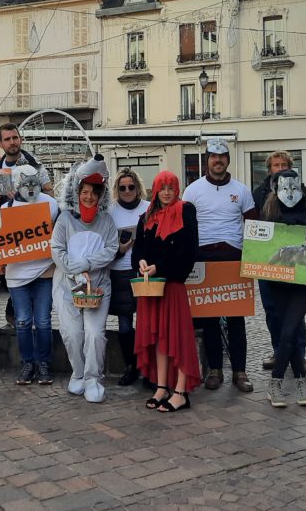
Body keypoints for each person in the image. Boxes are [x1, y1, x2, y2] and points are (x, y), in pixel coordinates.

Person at [182, 137, 256, 392]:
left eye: (222, 156)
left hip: (233, 257)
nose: (218, 161)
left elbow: (253, 226)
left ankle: (240, 371)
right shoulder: (192, 191)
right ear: (207, 160)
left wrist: (253, 258)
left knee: (237, 318)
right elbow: (185, 227)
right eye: (213, 156)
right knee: (209, 318)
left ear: (227, 160)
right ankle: (214, 369)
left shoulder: (242, 190)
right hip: (203, 258)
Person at [51, 155, 119, 403]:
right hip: (67, 285)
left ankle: (93, 378)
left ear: (101, 195)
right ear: (77, 191)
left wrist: (88, 263)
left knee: (94, 333)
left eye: (94, 192)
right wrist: (71, 267)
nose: (89, 196)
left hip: (97, 286)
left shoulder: (107, 222)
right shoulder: (65, 219)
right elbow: (57, 248)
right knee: (72, 332)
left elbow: (111, 249)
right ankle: (77, 374)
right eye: (85, 191)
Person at [133, 171, 201, 412]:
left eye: (170, 187)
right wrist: (140, 262)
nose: (166, 192)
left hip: (171, 285)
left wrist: (159, 267)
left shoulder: (186, 210)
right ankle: (162, 387)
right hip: (150, 288)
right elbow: (138, 248)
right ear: (155, 190)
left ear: (177, 189)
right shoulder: (146, 216)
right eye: (162, 188)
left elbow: (189, 251)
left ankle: (181, 391)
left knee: (178, 338)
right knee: (159, 338)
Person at [259, 170, 306, 409]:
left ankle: (275, 381)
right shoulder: (269, 212)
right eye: (283, 188)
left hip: (303, 284)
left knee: (289, 332)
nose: (289, 193)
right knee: (289, 329)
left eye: (293, 187)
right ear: (276, 189)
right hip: (277, 281)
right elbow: (263, 246)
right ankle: (300, 380)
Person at [251, 150, 306, 375]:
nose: (280, 168)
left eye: (283, 164)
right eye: (275, 165)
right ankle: (278, 351)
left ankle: (300, 355)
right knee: (272, 310)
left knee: (296, 311)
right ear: (269, 170)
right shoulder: (258, 193)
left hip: (295, 261)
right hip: (269, 261)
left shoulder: (301, 191)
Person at [0, 123, 54, 327]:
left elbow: (50, 193)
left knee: (35, 279)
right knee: (9, 280)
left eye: (15, 138)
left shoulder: (35, 165)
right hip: (8, 236)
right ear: (0, 144)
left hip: (34, 233)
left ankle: (18, 316)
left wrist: (25, 196)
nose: (12, 142)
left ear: (20, 139)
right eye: (7, 139)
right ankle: (16, 314)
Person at [3, 164, 60, 385]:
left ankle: (44, 363)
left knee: (44, 321)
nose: (30, 187)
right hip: (17, 274)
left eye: (33, 183)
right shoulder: (7, 208)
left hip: (45, 271)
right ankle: (28, 363)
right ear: (18, 184)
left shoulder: (52, 204)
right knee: (23, 321)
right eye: (25, 183)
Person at [107, 168, 150, 386]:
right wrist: (120, 249)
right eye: (122, 187)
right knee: (124, 326)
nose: (127, 191)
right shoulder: (111, 211)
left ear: (137, 187)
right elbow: (104, 245)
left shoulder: (149, 208)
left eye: (131, 187)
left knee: (146, 324)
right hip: (118, 272)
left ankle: (148, 369)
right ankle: (130, 367)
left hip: (144, 272)